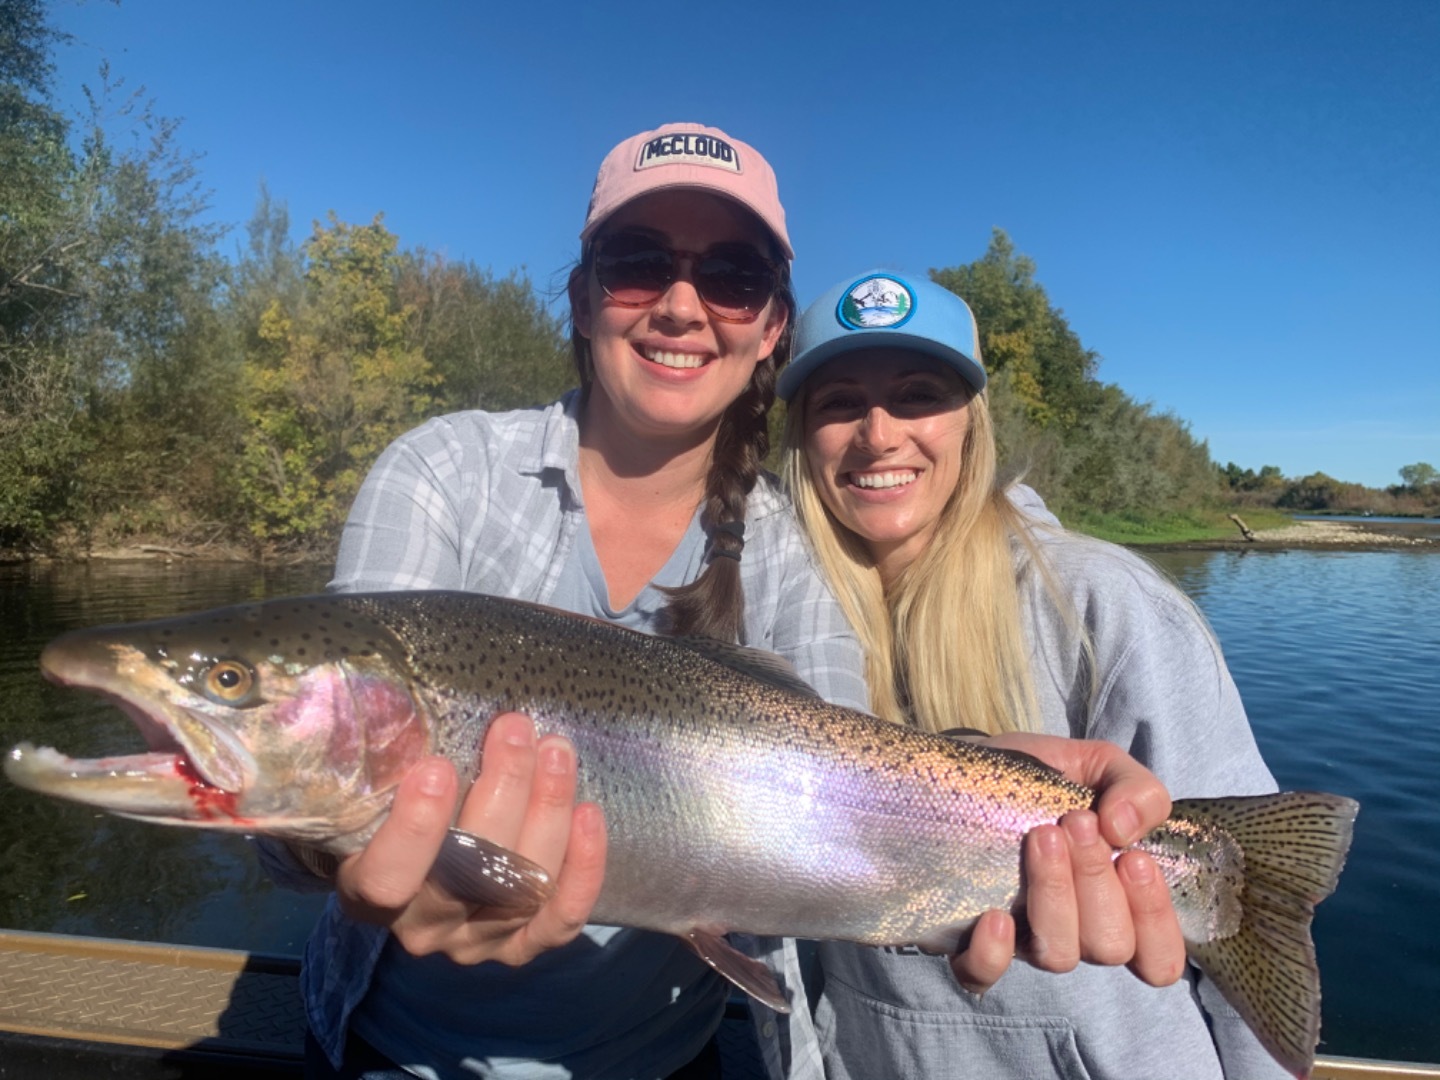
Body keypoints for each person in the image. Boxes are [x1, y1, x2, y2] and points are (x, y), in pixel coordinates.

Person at [262, 125, 1183, 1080]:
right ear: (582, 300)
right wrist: (341, 863)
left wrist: (990, 803)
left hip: (667, 1061)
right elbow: (307, 800)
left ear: (771, 330)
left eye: (732, 275)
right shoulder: (442, 472)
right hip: (391, 1050)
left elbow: (843, 788)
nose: (679, 305)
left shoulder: (790, 541)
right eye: (636, 263)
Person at [777, 270, 1291, 1079]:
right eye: (838, 402)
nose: (878, 434)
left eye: (917, 395)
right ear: (802, 436)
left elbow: (1254, 902)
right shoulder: (771, 623)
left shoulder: (1104, 603)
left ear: (971, 426)